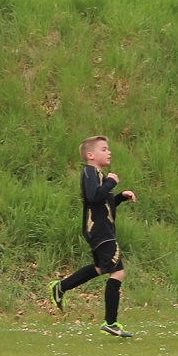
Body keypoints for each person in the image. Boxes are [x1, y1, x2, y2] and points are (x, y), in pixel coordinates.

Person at [47, 134, 136, 338]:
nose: (109, 151)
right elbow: (93, 197)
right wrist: (111, 183)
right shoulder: (89, 172)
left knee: (99, 268)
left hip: (101, 231)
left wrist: (120, 197)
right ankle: (111, 323)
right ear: (90, 155)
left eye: (108, 148)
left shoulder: (98, 175)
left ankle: (61, 287)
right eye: (104, 149)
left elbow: (103, 202)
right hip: (100, 231)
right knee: (118, 273)